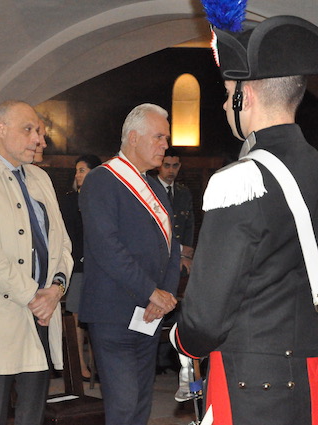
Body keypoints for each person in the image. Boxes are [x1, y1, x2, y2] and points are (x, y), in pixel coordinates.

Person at [172, 15, 318, 424]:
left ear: (245, 97)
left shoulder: (240, 182)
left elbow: (205, 318)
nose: (223, 104)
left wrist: (182, 339)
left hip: (253, 385)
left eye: (226, 93)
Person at [0, 100, 73, 425]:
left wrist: (56, 289)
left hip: (43, 313)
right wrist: (34, 296)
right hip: (1, 314)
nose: (39, 139)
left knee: (32, 412)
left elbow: (62, 243)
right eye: (29, 130)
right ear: (1, 129)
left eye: (40, 132)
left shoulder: (40, 178)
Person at [79, 103, 180, 425]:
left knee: (140, 405)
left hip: (150, 312)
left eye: (166, 138)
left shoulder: (155, 187)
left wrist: (165, 295)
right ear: (134, 138)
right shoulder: (101, 180)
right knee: (123, 405)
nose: (165, 145)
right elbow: (107, 247)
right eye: (159, 137)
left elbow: (172, 247)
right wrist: (152, 292)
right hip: (113, 312)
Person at [59, 153, 101, 381]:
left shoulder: (103, 198)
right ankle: (79, 366)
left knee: (97, 317)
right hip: (77, 265)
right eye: (76, 170)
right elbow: (68, 235)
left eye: (82, 170)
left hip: (100, 266)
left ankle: (98, 365)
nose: (77, 174)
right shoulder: (69, 200)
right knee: (76, 315)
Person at [156, 147, 195, 274]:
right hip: (156, 254)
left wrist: (185, 254)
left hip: (179, 258)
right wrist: (179, 249)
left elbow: (189, 225)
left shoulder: (183, 192)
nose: (171, 170)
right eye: (167, 165)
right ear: (159, 165)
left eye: (175, 166)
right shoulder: (150, 189)